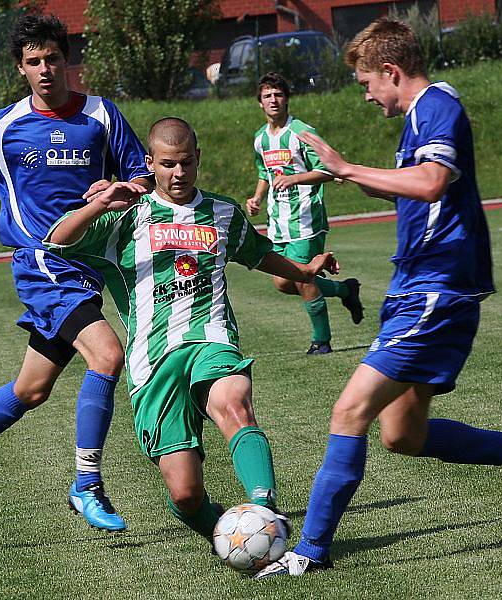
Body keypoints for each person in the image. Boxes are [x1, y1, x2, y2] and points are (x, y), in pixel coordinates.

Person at [255, 18, 502, 578]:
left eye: (367, 83)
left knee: (349, 410)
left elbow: (430, 183)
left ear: (392, 72)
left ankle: (309, 552)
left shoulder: (438, 106)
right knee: (402, 434)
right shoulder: (420, 117)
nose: (367, 94)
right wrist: (339, 175)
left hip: (436, 289)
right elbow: (406, 183)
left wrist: (348, 167)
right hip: (419, 287)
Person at [45, 117, 339, 547]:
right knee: (185, 494)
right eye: (167, 164)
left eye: (186, 163)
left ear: (198, 158)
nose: (178, 173)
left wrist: (306, 269)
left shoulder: (224, 213)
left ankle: (265, 509)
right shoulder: (129, 217)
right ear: (150, 163)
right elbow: (59, 240)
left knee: (234, 403)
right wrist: (101, 204)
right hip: (153, 360)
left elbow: (258, 254)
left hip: (211, 338)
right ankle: (230, 535)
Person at [0, 14, 152, 532]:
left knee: (32, 389)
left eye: (53, 58)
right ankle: (87, 484)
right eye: (34, 61)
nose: (45, 68)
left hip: (90, 259)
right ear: (20, 68)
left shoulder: (101, 113)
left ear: (67, 60)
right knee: (107, 353)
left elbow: (140, 170)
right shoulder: (3, 124)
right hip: (41, 261)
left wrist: (124, 189)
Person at [246, 72, 363, 355]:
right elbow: (265, 172)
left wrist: (296, 179)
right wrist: (257, 197)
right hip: (278, 220)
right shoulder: (261, 138)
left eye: (278, 94)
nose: (273, 100)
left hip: (306, 218)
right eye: (267, 96)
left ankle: (321, 341)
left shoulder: (301, 132)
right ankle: (346, 290)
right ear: (260, 103)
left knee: (302, 277)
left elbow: (328, 169)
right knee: (283, 282)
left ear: (287, 99)